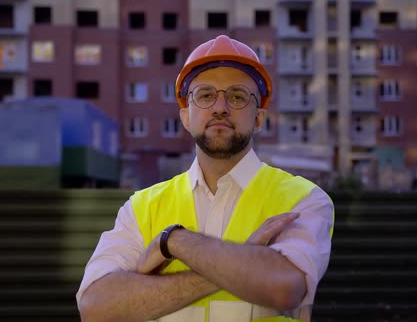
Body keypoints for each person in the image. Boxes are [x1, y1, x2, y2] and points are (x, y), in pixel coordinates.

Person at [76, 35, 334, 322]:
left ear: (259, 118)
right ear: (186, 116)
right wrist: (241, 262)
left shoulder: (302, 199)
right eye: (205, 95)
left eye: (237, 96)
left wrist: (175, 241)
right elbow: (95, 307)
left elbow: (283, 288)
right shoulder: (142, 207)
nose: (220, 107)